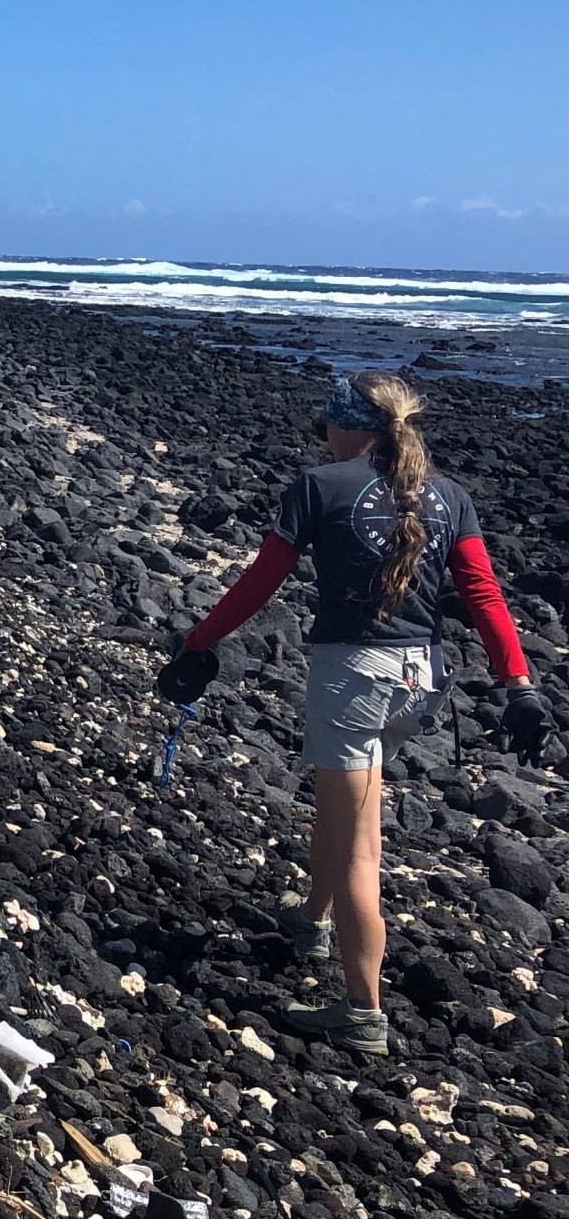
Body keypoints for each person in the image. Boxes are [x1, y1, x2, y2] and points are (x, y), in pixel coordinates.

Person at [156, 371, 551, 1056]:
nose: (324, 438)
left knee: (359, 849)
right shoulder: (449, 497)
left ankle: (363, 1013)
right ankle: (310, 920)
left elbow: (261, 580)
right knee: (347, 813)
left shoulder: (319, 485)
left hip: (353, 679)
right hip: (420, 682)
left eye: (328, 426)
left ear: (350, 428)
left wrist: (199, 642)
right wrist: (519, 686)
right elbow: (485, 595)